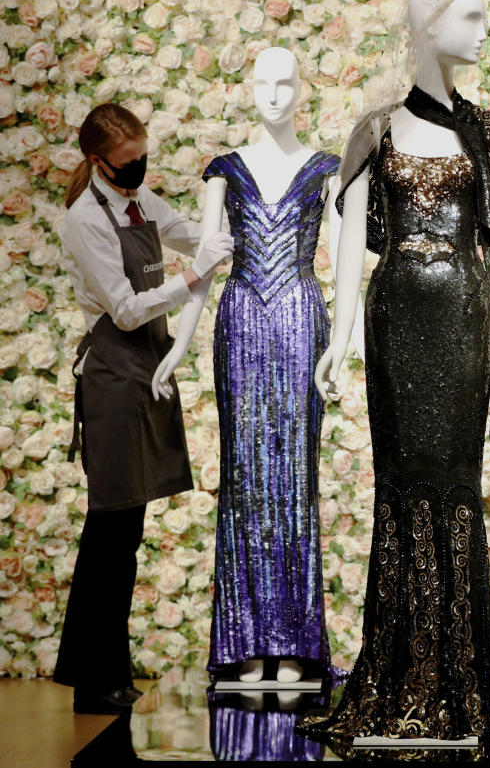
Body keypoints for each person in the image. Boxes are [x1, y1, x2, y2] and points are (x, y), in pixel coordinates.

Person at [303, 0, 490, 744]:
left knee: (453, 489)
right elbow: (350, 233)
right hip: (393, 323)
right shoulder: (373, 130)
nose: (486, 31)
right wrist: (341, 328)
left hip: (462, 321)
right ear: (430, 25)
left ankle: (459, 679)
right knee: (399, 487)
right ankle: (395, 675)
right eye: (472, 17)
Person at [153, 48, 346, 688]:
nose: (272, 93)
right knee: (244, 478)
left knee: (292, 477)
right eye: (261, 82)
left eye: (284, 82)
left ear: (301, 89)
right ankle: (244, 645)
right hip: (239, 324)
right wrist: (179, 344)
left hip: (299, 319)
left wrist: (345, 341)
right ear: (247, 88)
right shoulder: (222, 172)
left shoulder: (326, 168)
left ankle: (293, 645)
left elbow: (347, 266)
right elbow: (205, 268)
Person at [53, 103, 232, 713]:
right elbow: (127, 310)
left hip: (144, 375)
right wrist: (192, 278)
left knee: (125, 533)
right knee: (108, 529)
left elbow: (186, 231)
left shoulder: (135, 202)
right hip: (112, 378)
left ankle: (109, 673)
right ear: (98, 161)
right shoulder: (85, 220)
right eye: (128, 163)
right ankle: (89, 678)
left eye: (142, 158)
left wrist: (227, 218)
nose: (138, 170)